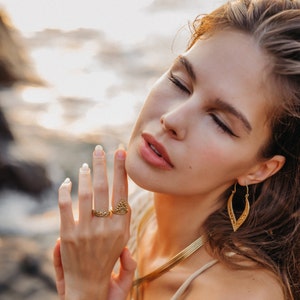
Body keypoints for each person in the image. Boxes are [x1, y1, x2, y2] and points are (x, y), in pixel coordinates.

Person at [53, 0, 300, 299]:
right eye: (179, 82)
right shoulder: (137, 217)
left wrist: (86, 289)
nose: (172, 119)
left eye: (219, 122)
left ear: (259, 169)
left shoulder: (241, 292)